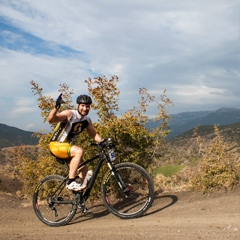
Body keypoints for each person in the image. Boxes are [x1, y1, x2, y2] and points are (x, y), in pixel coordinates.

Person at [47, 93, 102, 191]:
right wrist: (56, 107)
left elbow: (94, 135)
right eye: (83, 106)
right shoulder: (70, 114)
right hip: (56, 145)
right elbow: (51, 120)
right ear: (77, 106)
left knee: (84, 169)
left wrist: (104, 141)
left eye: (87, 106)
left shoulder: (87, 120)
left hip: (67, 148)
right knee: (79, 151)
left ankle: (78, 196)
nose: (85, 108)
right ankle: (71, 181)